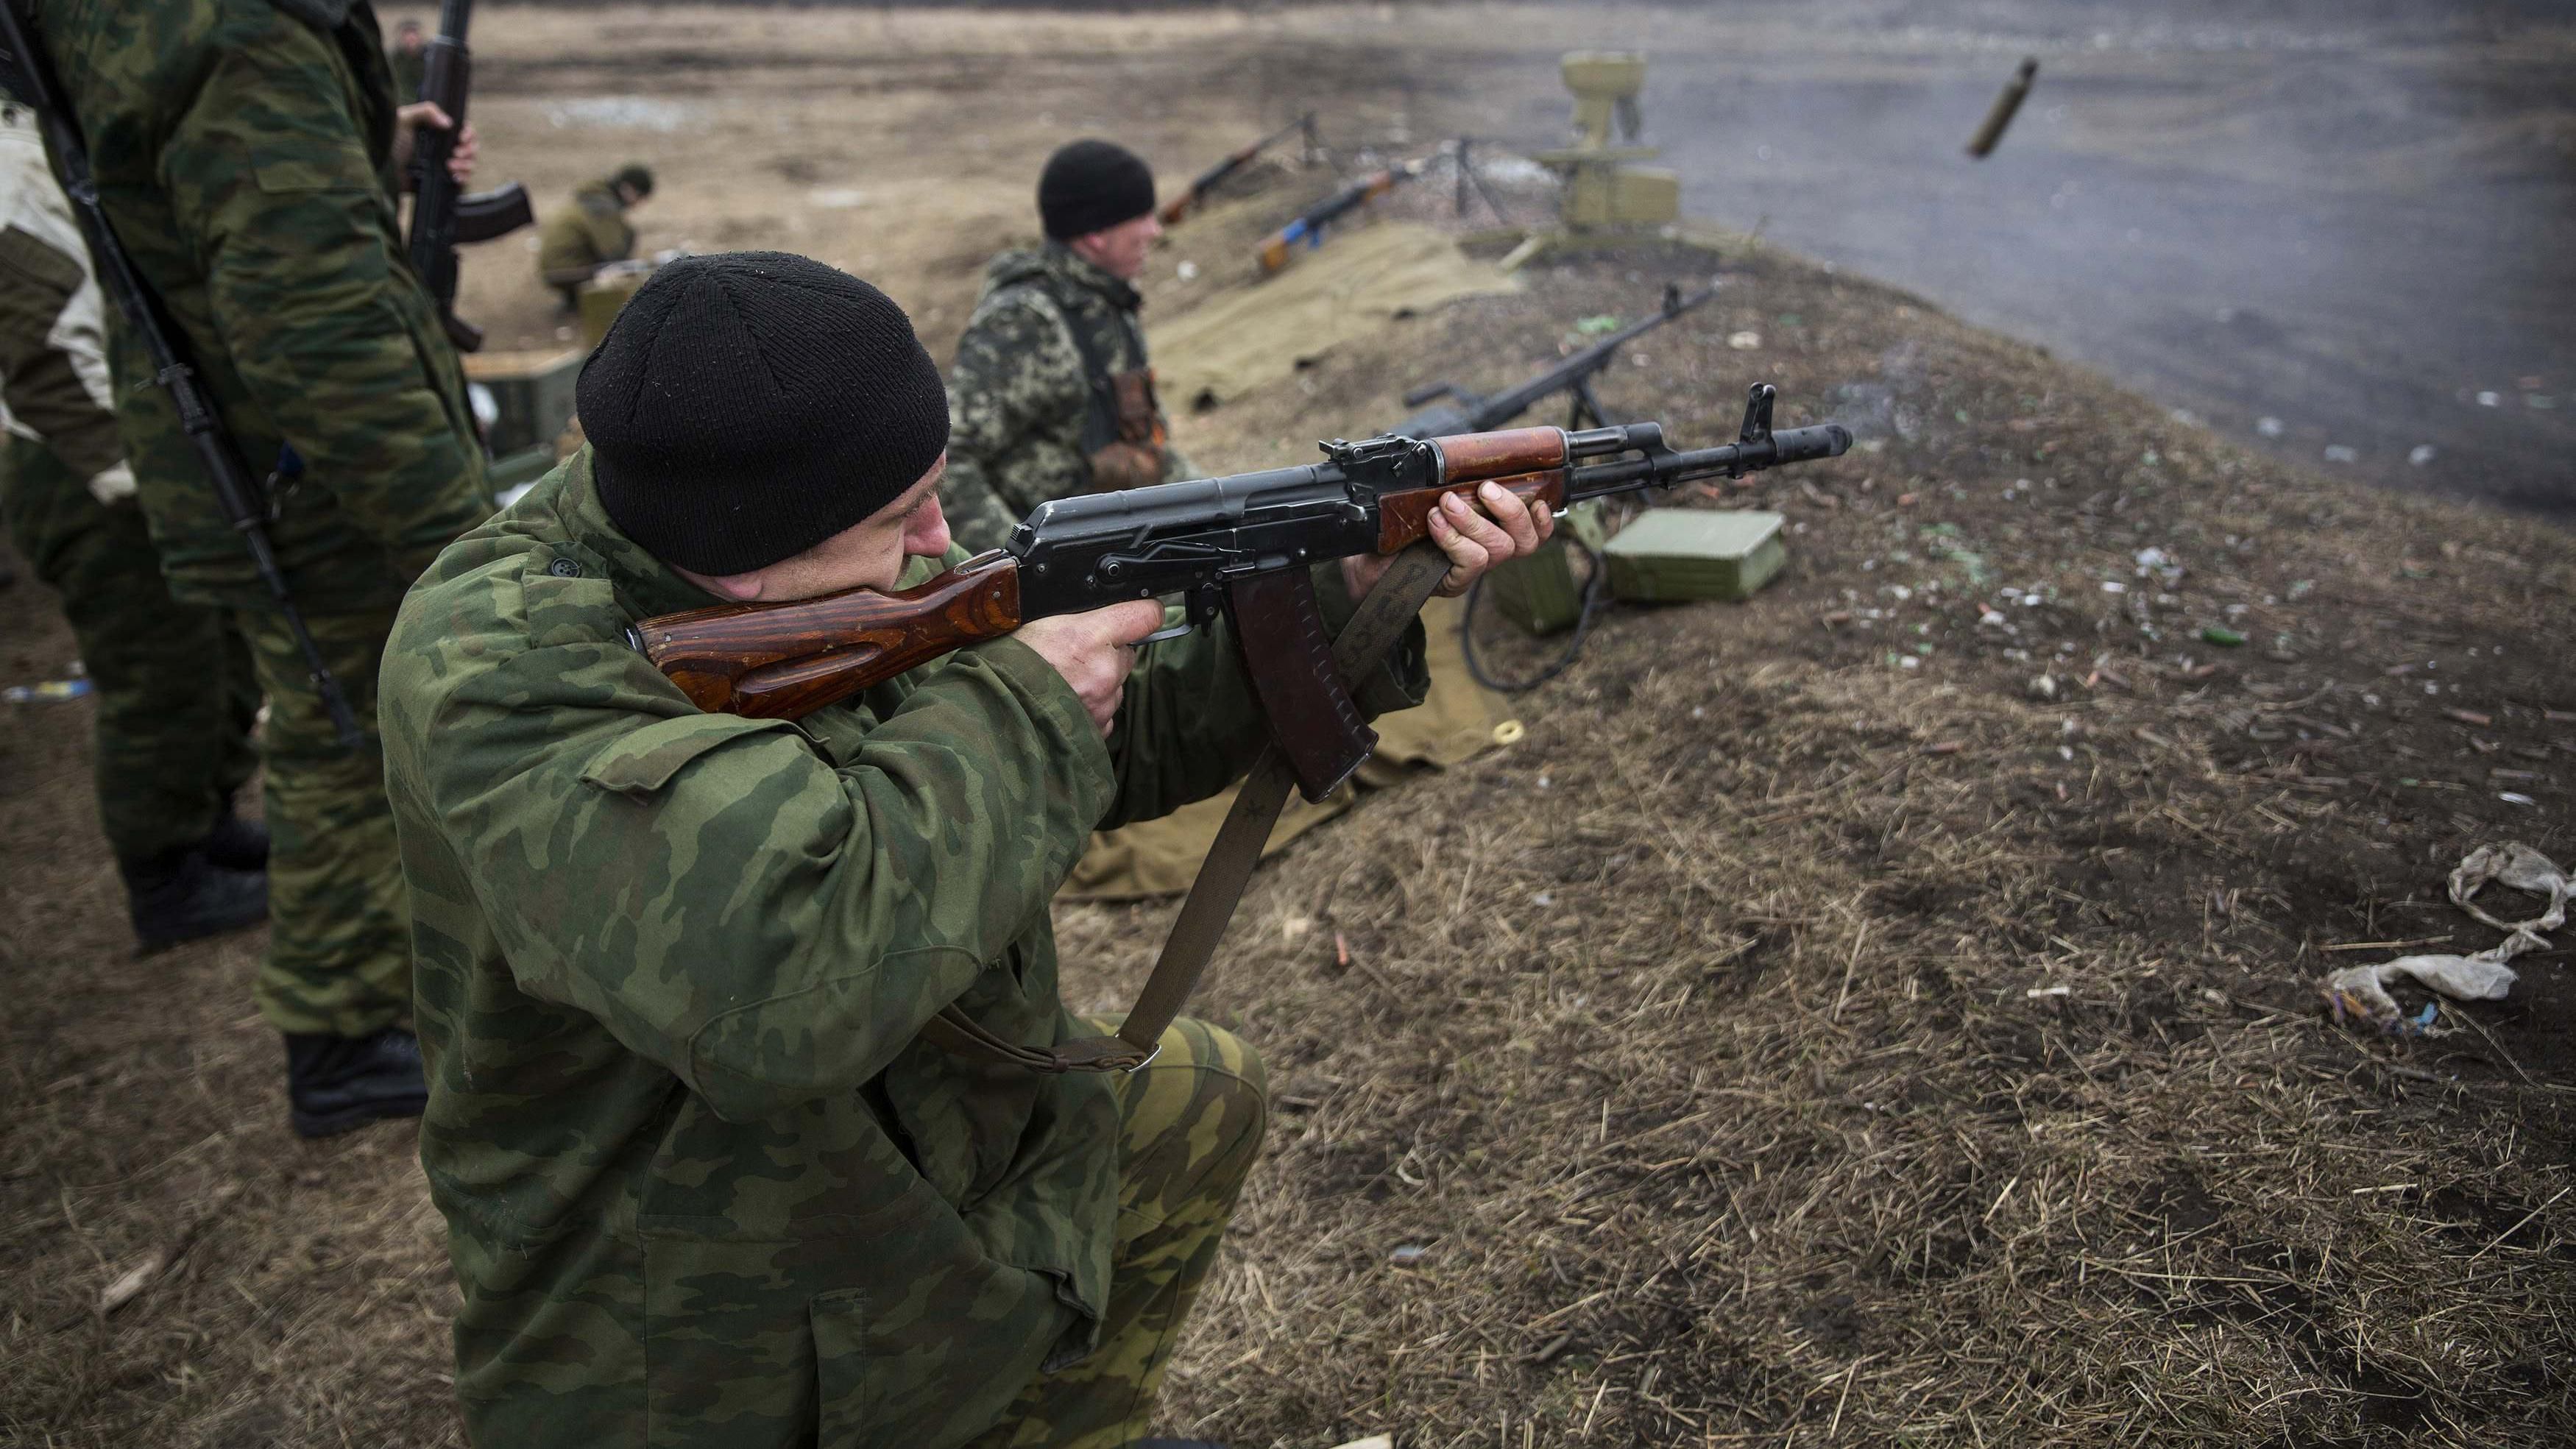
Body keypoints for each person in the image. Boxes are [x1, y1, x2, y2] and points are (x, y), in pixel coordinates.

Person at [381, 251, 1552, 1448]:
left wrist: (1352, 583)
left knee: (1199, 1092)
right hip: (694, 1330)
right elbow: (780, 983)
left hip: (927, 1168)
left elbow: (1101, 746)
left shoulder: (823, 559)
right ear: (743, 556)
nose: (943, 537)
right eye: (902, 516)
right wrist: (1032, 699)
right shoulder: (495, 666)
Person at [29, 0, 495, 1137]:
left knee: (329, 725)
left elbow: (180, 175)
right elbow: (314, 327)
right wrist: (466, 543)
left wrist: (361, 133)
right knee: (352, 737)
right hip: (306, 467)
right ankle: (341, 1033)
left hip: (248, 447)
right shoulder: (239, 30)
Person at [1, 96, 265, 949]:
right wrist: (131, 478)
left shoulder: (33, 133)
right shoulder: (7, 176)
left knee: (213, 652)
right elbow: (40, 362)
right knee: (157, 671)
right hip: (79, 462)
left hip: (130, 447)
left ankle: (207, 820)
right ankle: (163, 877)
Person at [944, 138, 1190, 554]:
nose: (1155, 230)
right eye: (1141, 216)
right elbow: (948, 461)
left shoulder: (1108, 306)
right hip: (1064, 581)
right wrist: (1021, 568)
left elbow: (1149, 449)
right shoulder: (1026, 321)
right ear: (1095, 233)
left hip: (1118, 549)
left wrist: (1229, 510)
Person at [535, 163, 653, 308]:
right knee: (622, 267)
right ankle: (586, 301)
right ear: (628, 188)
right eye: (640, 197)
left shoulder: (594, 197)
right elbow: (614, 253)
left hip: (553, 268)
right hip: (562, 271)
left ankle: (577, 300)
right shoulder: (603, 206)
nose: (638, 204)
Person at [386, 16, 426, 102]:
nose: (411, 37)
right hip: (401, 105)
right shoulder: (393, 59)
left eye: (414, 33)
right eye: (407, 33)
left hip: (423, 103)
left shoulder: (428, 57)